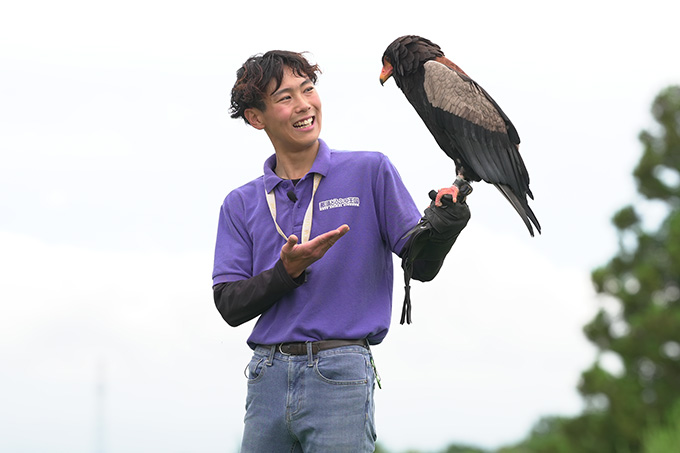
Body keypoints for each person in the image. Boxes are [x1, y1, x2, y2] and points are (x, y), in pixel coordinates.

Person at [212, 49, 471, 452]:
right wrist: (286, 272)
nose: (304, 105)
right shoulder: (240, 203)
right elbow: (229, 305)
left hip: (341, 371)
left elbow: (419, 266)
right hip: (266, 375)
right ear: (256, 117)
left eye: (308, 89)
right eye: (285, 97)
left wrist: (444, 228)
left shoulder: (370, 170)